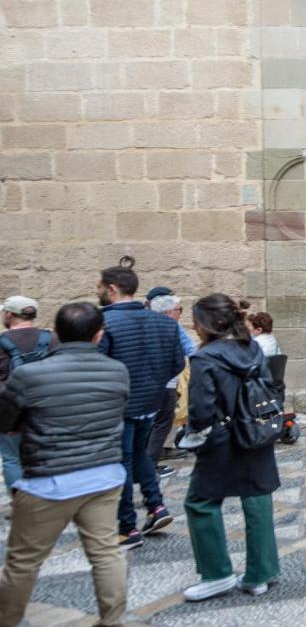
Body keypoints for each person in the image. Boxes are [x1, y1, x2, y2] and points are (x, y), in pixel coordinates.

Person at [0, 302, 130, 627]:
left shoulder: (29, 375)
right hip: (103, 475)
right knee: (106, 554)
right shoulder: (117, 371)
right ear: (99, 335)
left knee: (24, 561)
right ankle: (113, 620)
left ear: (55, 333)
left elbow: (4, 420)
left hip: (49, 480)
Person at [182, 293, 281, 601]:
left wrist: (194, 436)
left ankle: (216, 574)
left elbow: (200, 410)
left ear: (208, 324)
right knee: (257, 498)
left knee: (200, 501)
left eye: (196, 321)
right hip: (256, 432)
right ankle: (260, 574)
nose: (194, 327)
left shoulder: (205, 358)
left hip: (222, 438)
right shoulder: (251, 348)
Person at [97, 266, 186, 549]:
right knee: (140, 455)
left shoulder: (103, 323)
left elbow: (97, 365)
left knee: (121, 462)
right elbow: (177, 363)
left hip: (118, 406)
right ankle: (156, 506)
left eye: (99, 286)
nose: (97, 291)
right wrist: (154, 385)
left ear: (112, 289)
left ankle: (127, 528)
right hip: (150, 401)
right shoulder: (166, 323)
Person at [0, 296, 56, 490]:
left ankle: (20, 502)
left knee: (12, 459)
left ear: (9, 314)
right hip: (46, 410)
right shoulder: (51, 338)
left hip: (10, 411)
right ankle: (44, 497)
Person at [147, 293, 198, 478]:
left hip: (146, 384)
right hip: (166, 383)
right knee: (162, 424)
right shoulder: (171, 327)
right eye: (179, 310)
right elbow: (188, 350)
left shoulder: (146, 325)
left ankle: (143, 465)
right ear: (169, 311)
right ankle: (150, 467)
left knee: (148, 424)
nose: (180, 314)